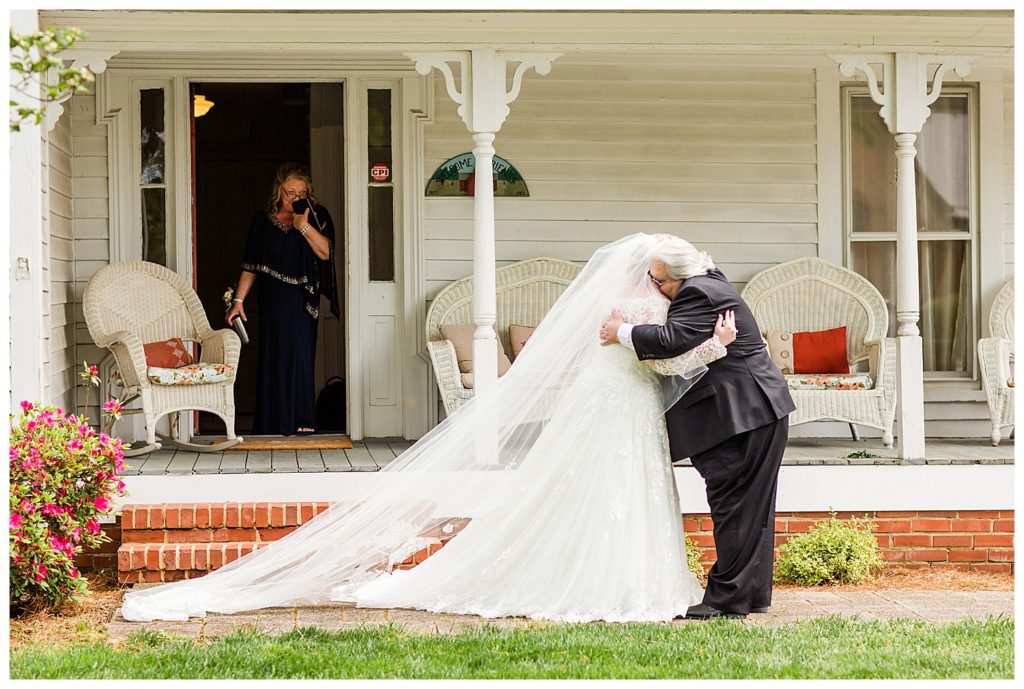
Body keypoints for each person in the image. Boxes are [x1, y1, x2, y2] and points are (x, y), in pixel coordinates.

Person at [120, 233, 736, 624]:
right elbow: (662, 354)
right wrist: (710, 346)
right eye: (658, 276)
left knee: (612, 488)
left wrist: (708, 345)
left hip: (625, 402)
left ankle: (624, 574)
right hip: (617, 403)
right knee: (601, 486)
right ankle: (609, 580)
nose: (662, 284)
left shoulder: (652, 303)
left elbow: (663, 355)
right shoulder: (639, 307)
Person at [600, 235, 796, 620]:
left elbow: (671, 341)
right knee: (752, 506)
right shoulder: (712, 280)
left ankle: (726, 600)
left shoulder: (697, 294)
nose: (657, 288)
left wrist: (621, 331)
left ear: (679, 276)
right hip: (759, 409)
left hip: (738, 415)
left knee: (732, 505)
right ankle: (749, 594)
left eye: (660, 282)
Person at [225, 163, 339, 436]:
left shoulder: (317, 215)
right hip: (273, 300)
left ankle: (302, 419)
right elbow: (251, 266)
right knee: (272, 358)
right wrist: (238, 301)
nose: (296, 198)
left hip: (302, 301)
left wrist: (303, 226)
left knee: (299, 357)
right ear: (279, 192)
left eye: (302, 192)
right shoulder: (262, 222)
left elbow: (325, 253)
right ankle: (271, 423)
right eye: (290, 192)